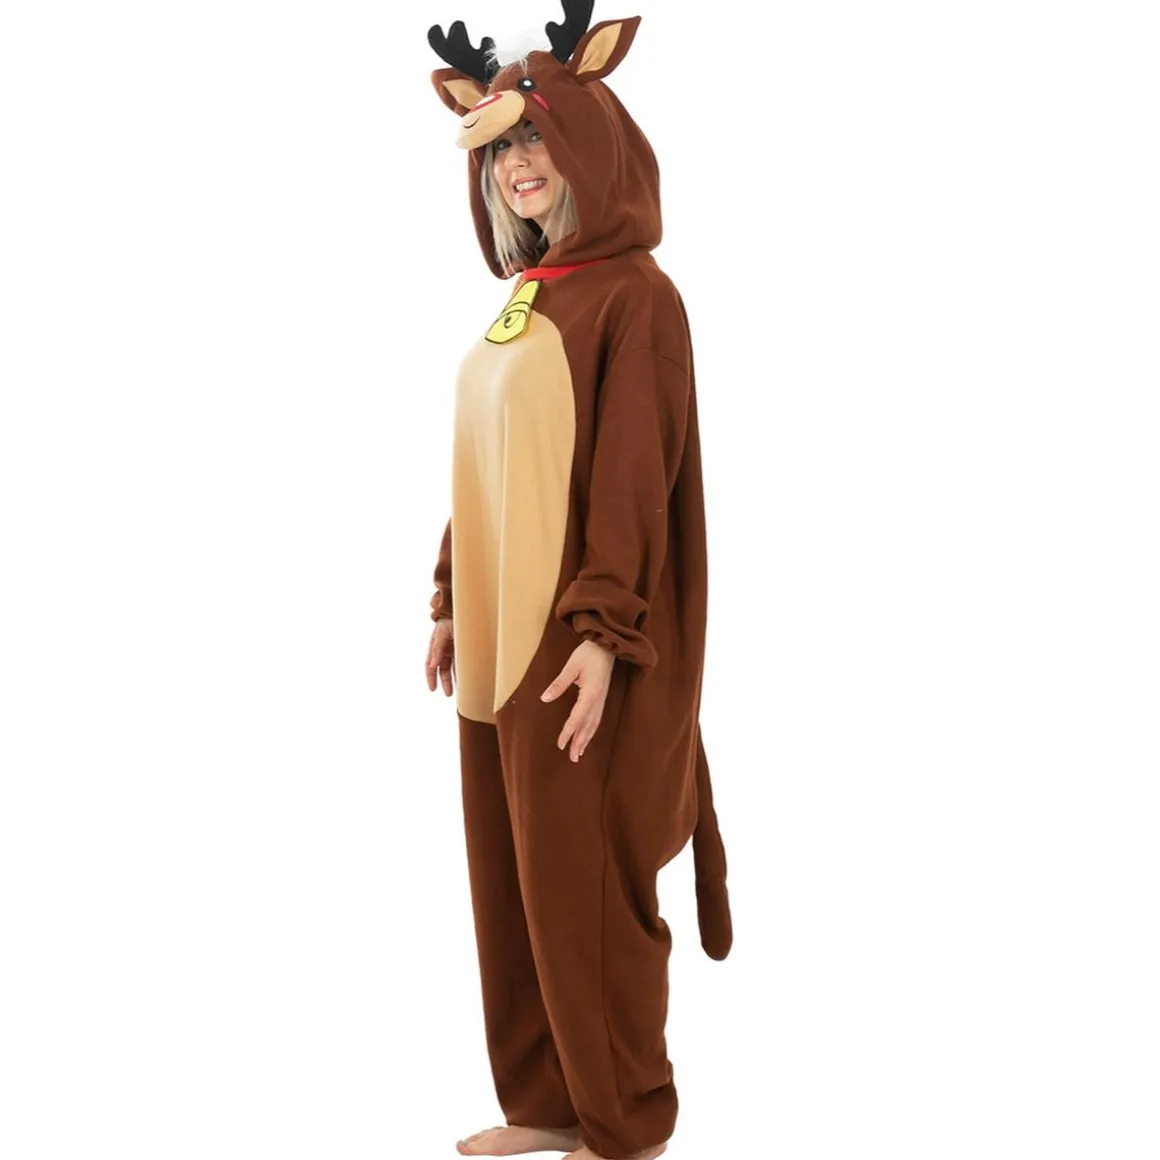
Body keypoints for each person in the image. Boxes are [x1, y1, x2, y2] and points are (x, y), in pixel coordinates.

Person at [422, 5, 733, 1159]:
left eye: (535, 138)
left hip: (575, 642)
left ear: (589, 145)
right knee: (512, 875)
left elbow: (631, 477)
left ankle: (624, 1118)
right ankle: (551, 1101)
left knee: (584, 881)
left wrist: (602, 632)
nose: (518, 164)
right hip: (501, 642)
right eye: (502, 148)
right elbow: (487, 461)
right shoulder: (529, 298)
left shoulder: (635, 298)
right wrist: (450, 597)